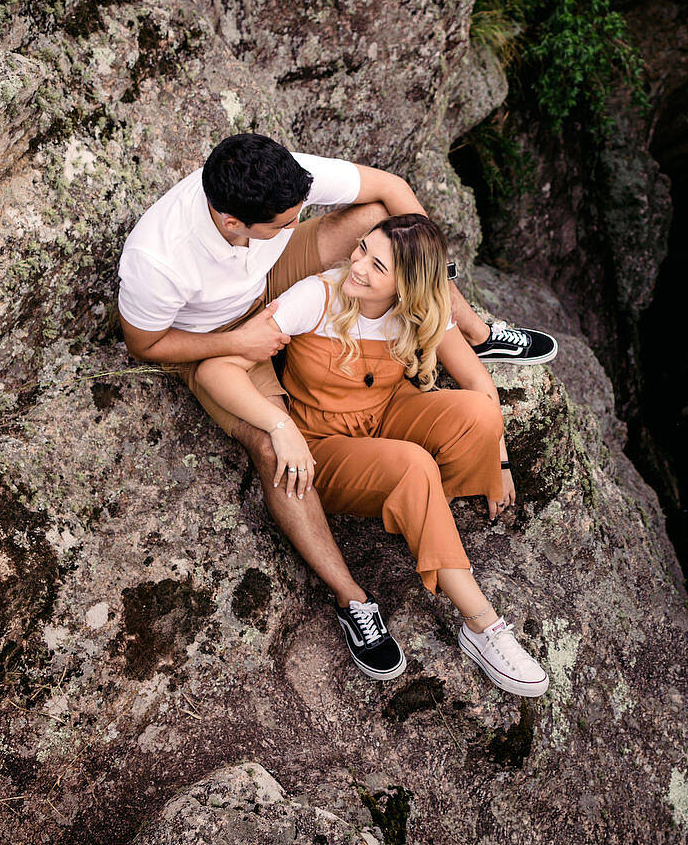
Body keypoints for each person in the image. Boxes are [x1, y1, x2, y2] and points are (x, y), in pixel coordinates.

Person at [116, 134, 555, 682]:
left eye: (377, 263)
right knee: (273, 447)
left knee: (376, 215)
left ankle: (475, 338)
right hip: (214, 331)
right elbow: (147, 346)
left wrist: (431, 286)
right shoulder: (159, 258)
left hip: (272, 286)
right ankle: (356, 600)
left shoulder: (278, 178)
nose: (299, 222)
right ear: (233, 223)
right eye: (286, 222)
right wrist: (246, 347)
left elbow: (390, 190)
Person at [194, 213, 549, 696]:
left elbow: (477, 381)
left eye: (377, 265)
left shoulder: (423, 307)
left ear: (407, 286)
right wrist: (281, 426)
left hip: (387, 414)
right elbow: (215, 370)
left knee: (479, 416)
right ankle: (482, 625)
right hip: (325, 445)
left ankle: (422, 516)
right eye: (362, 248)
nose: (357, 265)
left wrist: (499, 458)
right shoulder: (318, 296)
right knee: (414, 467)